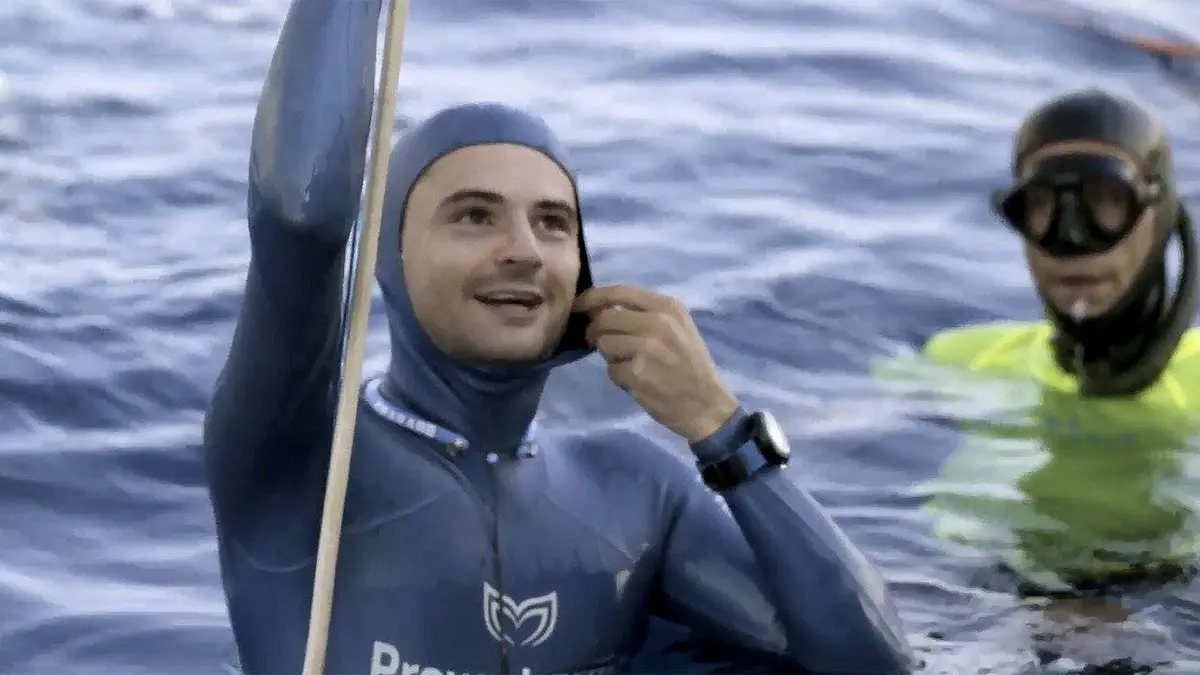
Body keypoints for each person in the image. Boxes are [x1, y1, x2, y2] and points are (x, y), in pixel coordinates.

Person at [201, 2, 915, 674]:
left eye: (552, 223)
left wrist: (722, 429)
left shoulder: (637, 492)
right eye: (474, 216)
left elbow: (870, 660)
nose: (524, 251)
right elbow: (301, 213)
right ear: (389, 259)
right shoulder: (303, 460)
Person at [905, 89, 1199, 665]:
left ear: (1159, 212)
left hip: (1171, 608)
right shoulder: (956, 358)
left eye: (1105, 201)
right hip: (970, 602)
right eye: (1040, 204)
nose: (1071, 238)